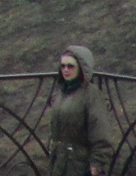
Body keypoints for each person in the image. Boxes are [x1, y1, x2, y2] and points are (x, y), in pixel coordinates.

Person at [44, 45, 116, 176]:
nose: (66, 70)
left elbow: (101, 133)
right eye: (63, 66)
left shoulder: (91, 94)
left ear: (81, 68)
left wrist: (96, 165)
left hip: (82, 167)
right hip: (59, 165)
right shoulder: (60, 92)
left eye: (70, 66)